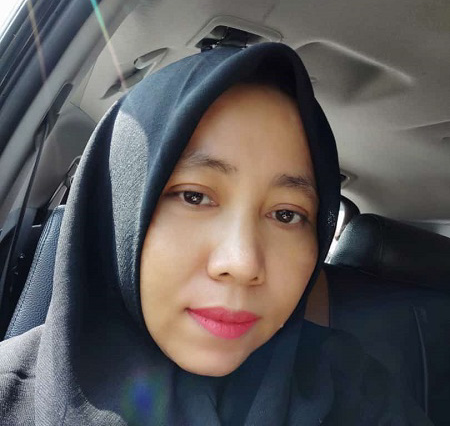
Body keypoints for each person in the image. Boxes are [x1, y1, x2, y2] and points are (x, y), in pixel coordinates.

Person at [0, 42, 433, 425]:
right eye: (194, 196)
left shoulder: (354, 388)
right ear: (118, 211)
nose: (242, 263)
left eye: (286, 214)